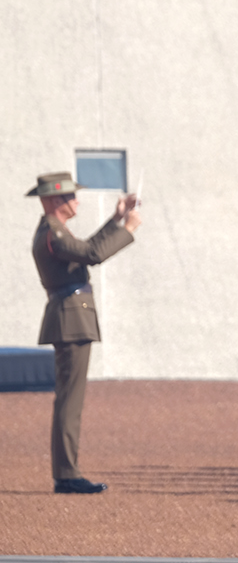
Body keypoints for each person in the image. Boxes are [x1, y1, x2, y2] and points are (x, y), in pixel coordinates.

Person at [28, 172, 141, 494]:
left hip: (71, 317)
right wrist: (128, 229)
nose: (76, 201)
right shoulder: (53, 231)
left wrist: (116, 219)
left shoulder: (54, 230)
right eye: (71, 197)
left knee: (70, 399)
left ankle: (67, 471)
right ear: (55, 200)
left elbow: (86, 248)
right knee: (69, 401)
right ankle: (66, 474)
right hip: (70, 319)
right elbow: (92, 254)